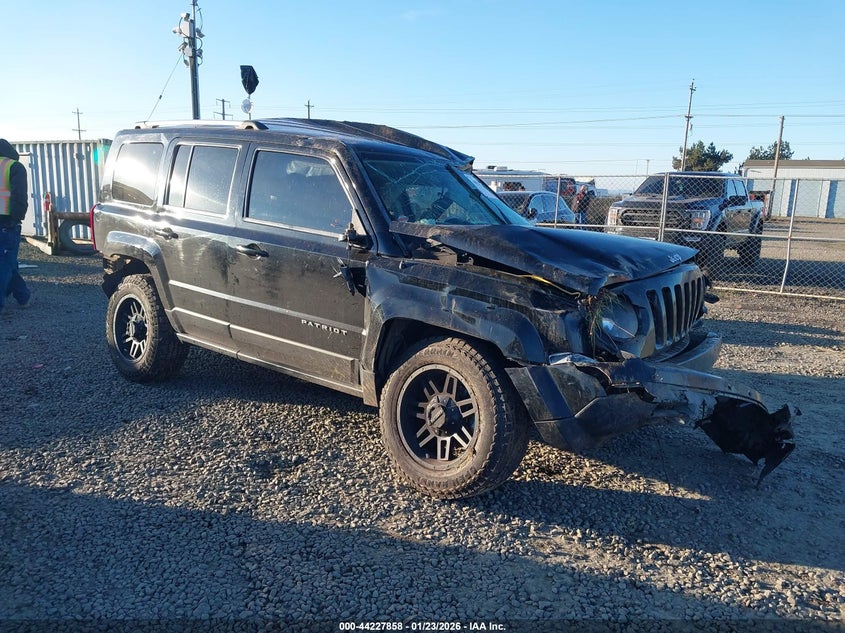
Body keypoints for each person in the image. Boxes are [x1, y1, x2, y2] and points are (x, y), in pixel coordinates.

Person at [0, 138, 32, 313]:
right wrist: (17, 218)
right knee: (6, 262)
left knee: (6, 262)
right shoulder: (13, 166)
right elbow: (19, 196)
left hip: (6, 223)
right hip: (7, 222)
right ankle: (22, 297)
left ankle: (22, 296)